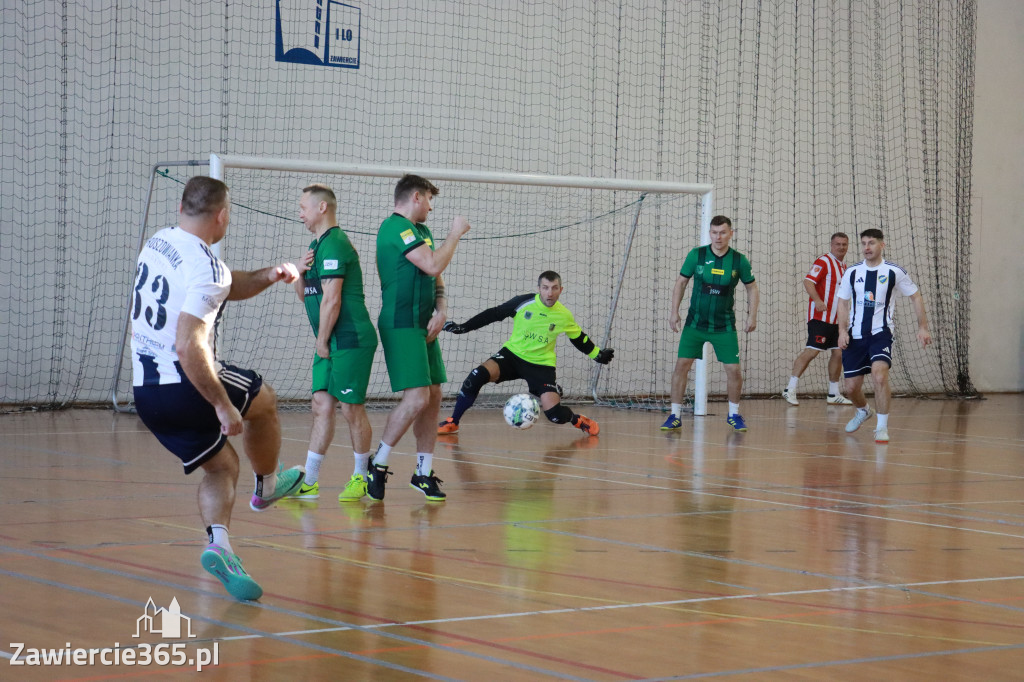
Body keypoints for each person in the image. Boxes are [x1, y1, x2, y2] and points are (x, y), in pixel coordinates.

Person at [130, 176, 304, 601]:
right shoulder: (206, 267)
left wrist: (268, 275)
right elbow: (188, 346)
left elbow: (223, 286)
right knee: (264, 400)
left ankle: (220, 546)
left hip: (147, 394)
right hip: (185, 380)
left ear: (181, 207)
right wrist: (223, 405)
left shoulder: (159, 242)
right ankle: (267, 486)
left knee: (222, 467)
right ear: (223, 216)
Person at [370, 174, 471, 502]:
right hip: (401, 324)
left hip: (425, 325)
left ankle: (423, 472)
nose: (431, 206)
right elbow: (431, 264)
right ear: (415, 196)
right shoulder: (395, 228)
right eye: (429, 199)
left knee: (434, 394)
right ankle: (378, 464)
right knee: (416, 398)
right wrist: (455, 234)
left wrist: (441, 309)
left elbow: (437, 278)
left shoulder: (422, 232)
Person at [287, 184, 378, 503]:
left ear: (322, 208)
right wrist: (298, 273)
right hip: (327, 340)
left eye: (304, 207)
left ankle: (362, 477)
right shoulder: (316, 246)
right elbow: (306, 296)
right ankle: (310, 481)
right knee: (321, 405)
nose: (300, 213)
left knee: (351, 408)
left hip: (349, 339)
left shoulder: (336, 243)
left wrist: (323, 341)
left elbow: (333, 299)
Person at [437, 271, 613, 435]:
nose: (550, 293)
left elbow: (579, 338)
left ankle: (577, 419)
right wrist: (464, 327)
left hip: (541, 365)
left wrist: (597, 354)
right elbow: (494, 314)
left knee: (555, 415)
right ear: (539, 289)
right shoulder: (523, 302)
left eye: (554, 288)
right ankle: (453, 421)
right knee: (476, 376)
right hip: (512, 356)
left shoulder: (564, 315)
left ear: (561, 290)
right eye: (545, 288)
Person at [662, 215, 759, 432]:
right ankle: (674, 415)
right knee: (681, 366)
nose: (718, 237)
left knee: (733, 370)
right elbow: (681, 282)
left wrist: (752, 315)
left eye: (723, 232)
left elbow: (752, 287)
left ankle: (733, 414)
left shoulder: (739, 260)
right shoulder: (696, 255)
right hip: (695, 324)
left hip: (724, 326)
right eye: (714, 233)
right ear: (710, 233)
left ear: (731, 234)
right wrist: (674, 312)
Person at [836, 228, 932, 443]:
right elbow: (842, 302)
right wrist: (842, 331)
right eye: (863, 243)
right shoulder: (852, 272)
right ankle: (863, 411)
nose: (866, 247)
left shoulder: (894, 272)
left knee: (879, 376)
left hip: (881, 334)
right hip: (855, 335)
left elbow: (916, 297)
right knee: (851, 388)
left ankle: (881, 427)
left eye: (871, 243)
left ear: (882, 245)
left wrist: (923, 327)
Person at [782, 233, 854, 405]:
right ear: (831, 245)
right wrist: (817, 300)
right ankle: (789, 389)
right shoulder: (824, 261)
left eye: (844, 244)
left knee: (838, 353)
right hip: (820, 318)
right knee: (812, 351)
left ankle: (833, 393)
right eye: (837, 244)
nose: (841, 247)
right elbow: (808, 282)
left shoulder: (844, 267)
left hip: (837, 321)